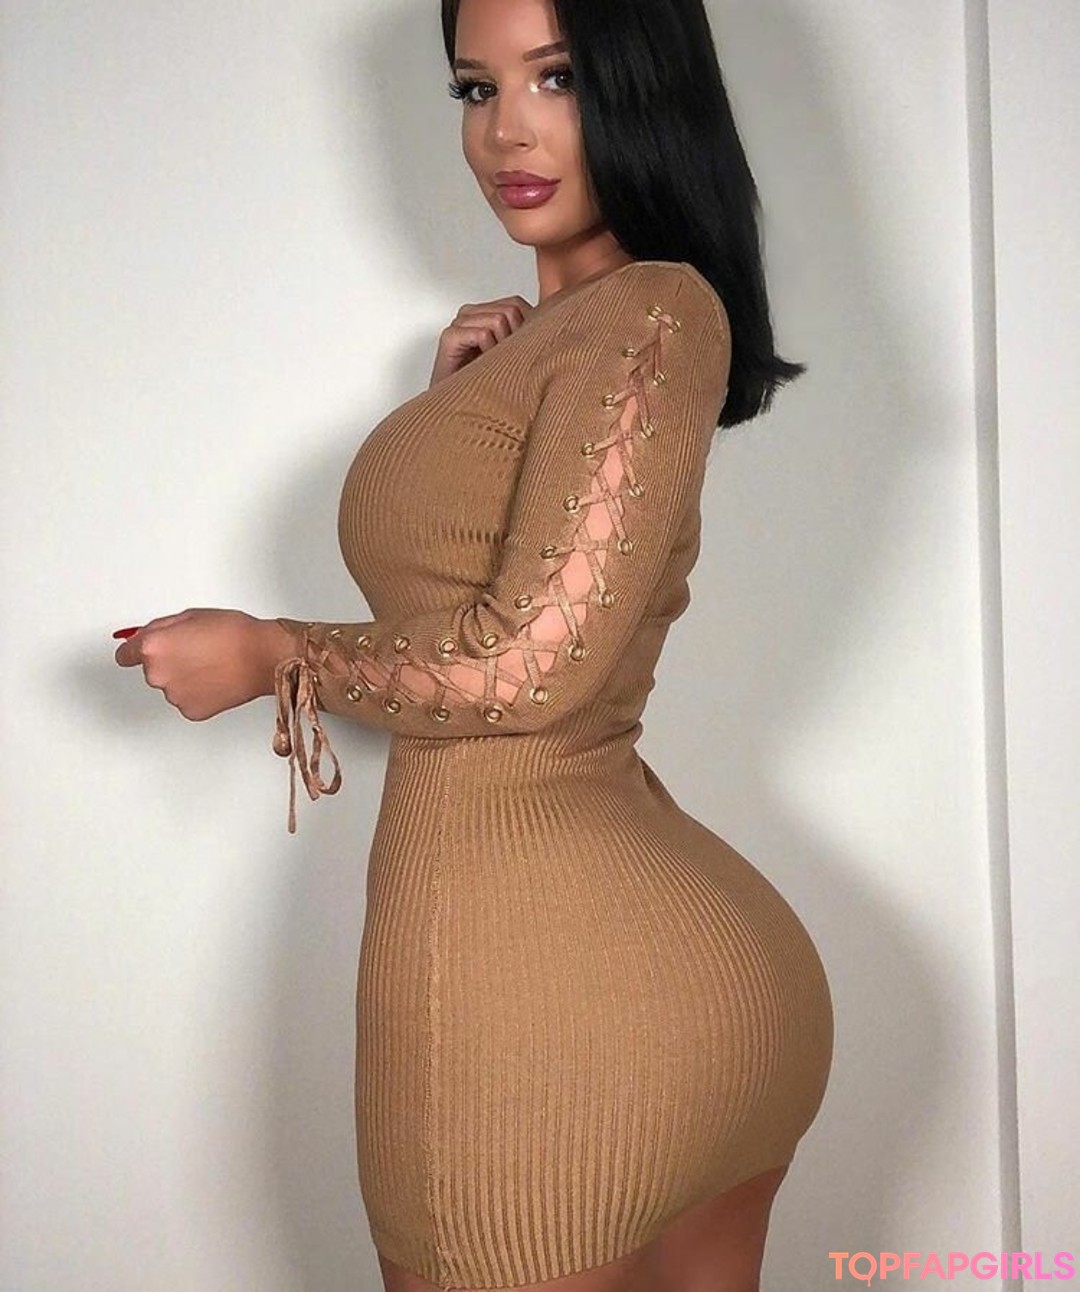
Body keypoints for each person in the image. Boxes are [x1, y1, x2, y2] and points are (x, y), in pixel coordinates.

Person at [114, 0, 834, 1288]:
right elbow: (494, 596)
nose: (506, 130)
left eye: (556, 77)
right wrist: (453, 409)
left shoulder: (655, 310)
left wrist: (273, 653)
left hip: (536, 995)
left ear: (644, 87)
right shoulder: (569, 334)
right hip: (668, 978)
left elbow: (530, 665)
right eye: (474, 88)